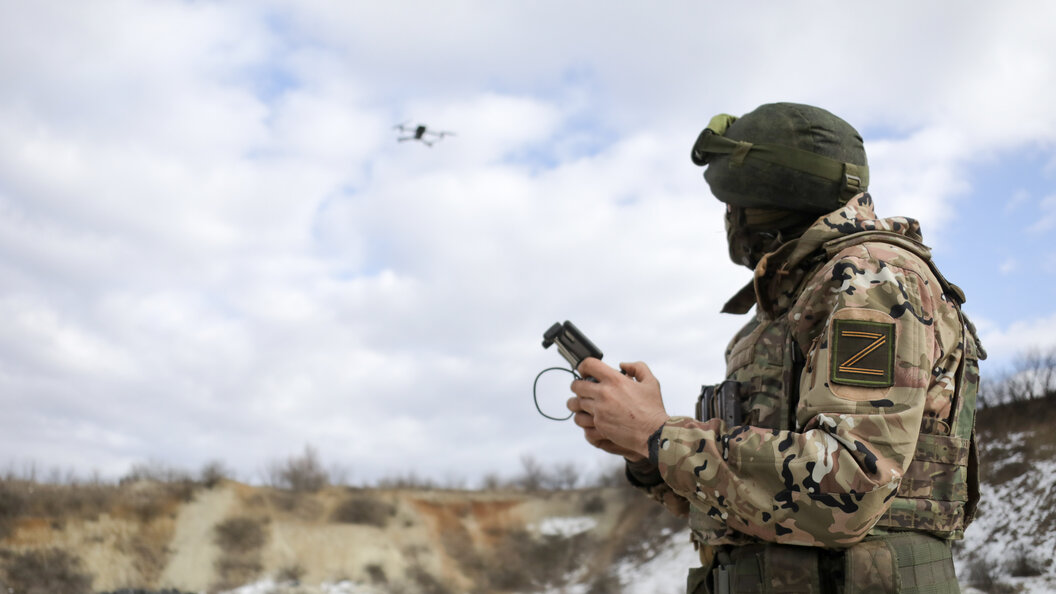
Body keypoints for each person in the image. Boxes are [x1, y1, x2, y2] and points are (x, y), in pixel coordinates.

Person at [566, 103, 984, 593]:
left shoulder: (871, 281)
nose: (728, 220)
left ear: (767, 202)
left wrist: (661, 436)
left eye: (732, 204)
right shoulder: (773, 318)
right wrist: (646, 454)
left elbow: (847, 486)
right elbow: (746, 499)